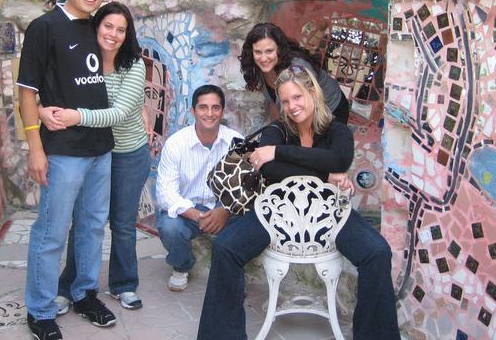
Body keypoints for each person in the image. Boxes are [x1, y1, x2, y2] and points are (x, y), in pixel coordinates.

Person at [197, 66, 399, 340]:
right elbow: (270, 171)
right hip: (276, 210)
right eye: (285, 101)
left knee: (377, 253)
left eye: (297, 97)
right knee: (225, 247)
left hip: (328, 212)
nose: (292, 106)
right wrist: (325, 175)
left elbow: (338, 159)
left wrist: (279, 152)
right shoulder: (277, 130)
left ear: (312, 93)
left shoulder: (337, 131)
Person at [18, 0, 117, 340]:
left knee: (92, 227)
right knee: (51, 232)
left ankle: (84, 294)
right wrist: (35, 147)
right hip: (62, 151)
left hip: (100, 147)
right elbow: (27, 92)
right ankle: (41, 310)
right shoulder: (44, 27)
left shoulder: (100, 26)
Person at [39, 2, 151, 311]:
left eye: (121, 29)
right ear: (96, 26)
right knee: (84, 222)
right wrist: (40, 109)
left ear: (127, 35)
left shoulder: (134, 65)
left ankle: (124, 284)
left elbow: (119, 113)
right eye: (108, 26)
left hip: (127, 153)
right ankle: (70, 286)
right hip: (90, 153)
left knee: (123, 224)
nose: (113, 34)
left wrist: (76, 116)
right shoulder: (82, 60)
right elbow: (48, 89)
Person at [155, 85, 242, 292]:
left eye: (215, 108)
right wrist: (198, 216)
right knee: (169, 227)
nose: (209, 114)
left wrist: (224, 210)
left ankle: (233, 274)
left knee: (250, 222)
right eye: (203, 107)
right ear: (193, 111)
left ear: (222, 111)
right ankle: (181, 266)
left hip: (223, 208)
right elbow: (165, 193)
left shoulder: (236, 142)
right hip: (188, 211)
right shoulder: (176, 144)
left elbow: (244, 187)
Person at [239, 22, 350, 124]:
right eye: (258, 52)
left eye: (269, 51)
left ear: (279, 49)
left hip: (330, 108)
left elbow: (305, 109)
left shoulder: (297, 68)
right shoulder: (259, 67)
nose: (263, 58)